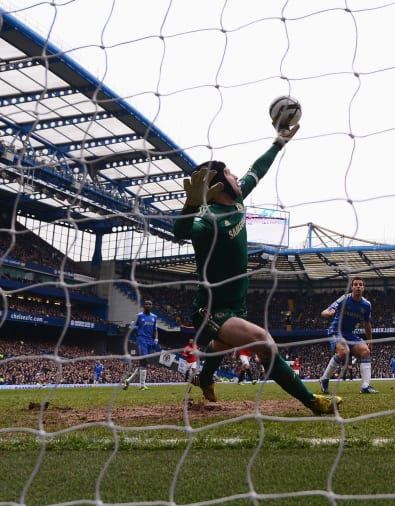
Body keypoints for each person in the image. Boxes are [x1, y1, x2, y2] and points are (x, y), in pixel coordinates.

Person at [172, 120, 339, 415]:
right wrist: (190, 205)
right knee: (263, 341)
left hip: (237, 304)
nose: (238, 176)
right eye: (230, 173)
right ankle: (312, 401)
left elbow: (257, 171)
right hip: (211, 309)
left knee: (220, 346)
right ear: (219, 184)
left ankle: (204, 378)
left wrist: (279, 142)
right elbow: (181, 233)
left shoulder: (237, 202)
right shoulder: (207, 221)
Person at [318, 276, 378, 394]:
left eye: (360, 284)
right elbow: (324, 312)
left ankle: (365, 386)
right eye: (355, 284)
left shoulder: (367, 305)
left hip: (349, 334)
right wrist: (328, 313)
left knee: (366, 351)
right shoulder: (344, 299)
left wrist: (370, 341)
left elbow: (367, 324)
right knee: (343, 351)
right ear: (351, 287)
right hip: (336, 331)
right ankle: (324, 379)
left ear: (364, 288)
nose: (358, 287)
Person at [123, 299, 159, 391]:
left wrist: (156, 339)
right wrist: (136, 327)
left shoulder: (154, 317)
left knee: (144, 363)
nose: (148, 305)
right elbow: (130, 326)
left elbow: (155, 329)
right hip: (141, 340)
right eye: (146, 304)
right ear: (144, 306)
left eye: (149, 304)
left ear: (151, 306)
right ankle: (142, 386)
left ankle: (128, 380)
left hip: (150, 341)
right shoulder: (139, 316)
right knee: (144, 360)